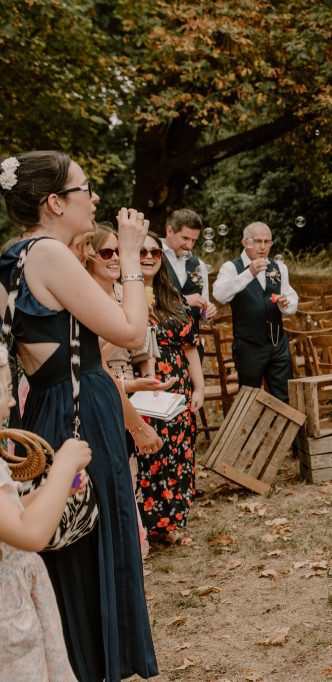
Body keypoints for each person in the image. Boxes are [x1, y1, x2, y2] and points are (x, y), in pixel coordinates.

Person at [0, 150, 158, 680]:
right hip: (81, 407)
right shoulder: (49, 252)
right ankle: (96, 665)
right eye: (83, 189)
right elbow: (131, 333)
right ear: (52, 203)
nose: (93, 198)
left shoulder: (14, 253)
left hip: (47, 404)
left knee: (72, 544)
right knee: (93, 542)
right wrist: (131, 256)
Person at [0, 345, 91, 682]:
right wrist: (62, 466)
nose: (11, 402)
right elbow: (29, 534)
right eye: (5, 391)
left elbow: (9, 517)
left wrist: (51, 491)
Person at [85, 224, 167, 556]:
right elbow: (93, 359)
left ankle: (135, 540)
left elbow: (143, 344)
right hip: (105, 386)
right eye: (107, 252)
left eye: (119, 251)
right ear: (89, 257)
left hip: (128, 380)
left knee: (130, 467)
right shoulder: (84, 298)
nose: (116, 257)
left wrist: (149, 378)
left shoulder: (125, 292)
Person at [134, 232, 203, 545]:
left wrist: (199, 389)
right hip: (139, 385)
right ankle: (144, 525)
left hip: (177, 385)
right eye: (141, 250)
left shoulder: (173, 298)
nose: (148, 256)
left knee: (177, 452)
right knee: (147, 453)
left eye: (154, 251)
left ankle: (171, 523)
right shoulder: (120, 295)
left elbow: (190, 349)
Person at [212, 222, 297, 402]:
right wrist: (248, 273)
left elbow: (291, 299)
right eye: (258, 241)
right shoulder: (231, 268)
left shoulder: (279, 267)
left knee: (285, 397)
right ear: (245, 242)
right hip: (249, 345)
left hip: (278, 344)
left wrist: (285, 303)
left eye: (267, 242)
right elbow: (219, 295)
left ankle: (282, 431)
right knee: (249, 399)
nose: (263, 247)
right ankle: (250, 431)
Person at [161, 208, 217, 329]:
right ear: (169, 231)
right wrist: (184, 300)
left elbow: (203, 308)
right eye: (185, 238)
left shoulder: (199, 266)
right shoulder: (151, 257)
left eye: (194, 240)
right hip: (160, 342)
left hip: (193, 342)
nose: (189, 246)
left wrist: (208, 311)